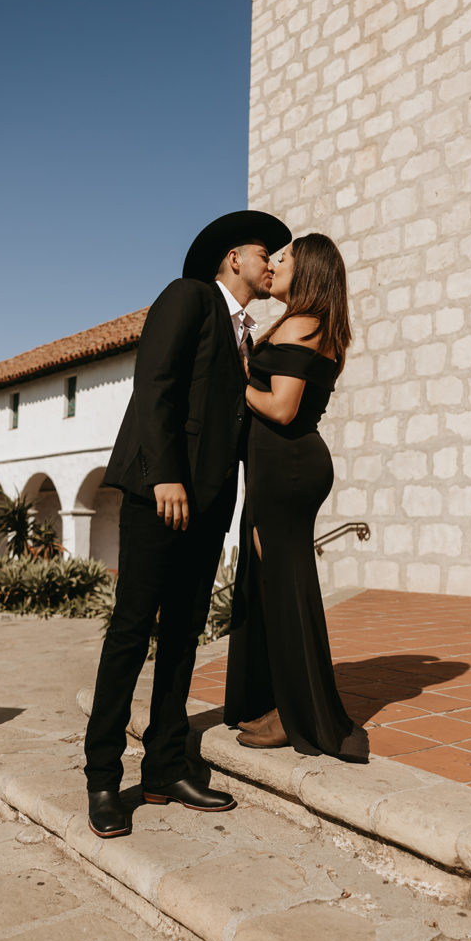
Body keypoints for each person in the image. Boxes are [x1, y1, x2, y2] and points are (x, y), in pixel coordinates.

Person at [84, 209, 291, 837]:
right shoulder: (189, 297)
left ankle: (165, 766)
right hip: (160, 492)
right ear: (233, 257)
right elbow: (156, 385)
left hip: (208, 504)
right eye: (265, 252)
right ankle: (101, 778)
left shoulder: (245, 332)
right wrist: (167, 473)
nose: (272, 262)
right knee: (130, 631)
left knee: (182, 636)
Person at [224, 232, 369, 764]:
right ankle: (281, 702)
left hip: (287, 466)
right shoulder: (302, 322)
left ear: (308, 271)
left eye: (285, 258)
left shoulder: (307, 323)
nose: (277, 263)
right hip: (276, 466)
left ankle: (298, 714)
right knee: (274, 588)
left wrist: (237, 376)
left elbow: (282, 408)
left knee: (286, 590)